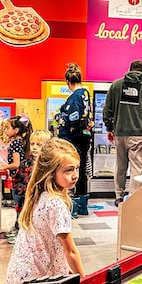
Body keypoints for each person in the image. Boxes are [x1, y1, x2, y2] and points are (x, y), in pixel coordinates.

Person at [6, 138, 85, 284]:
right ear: (51, 173)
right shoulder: (56, 204)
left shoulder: (39, 195)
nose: (75, 175)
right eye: (69, 170)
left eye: (77, 168)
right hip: (38, 281)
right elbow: (70, 251)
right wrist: (84, 281)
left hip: (21, 275)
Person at [103, 60, 142, 205]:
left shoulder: (116, 85)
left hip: (120, 133)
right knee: (136, 168)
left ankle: (118, 196)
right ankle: (133, 199)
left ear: (129, 69)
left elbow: (107, 109)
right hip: (139, 135)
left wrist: (109, 128)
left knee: (120, 166)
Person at [55, 63, 93, 216]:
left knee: (70, 169)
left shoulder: (75, 96)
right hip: (83, 136)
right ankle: (82, 204)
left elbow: (73, 117)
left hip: (72, 138)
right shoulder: (86, 93)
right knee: (81, 170)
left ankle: (73, 206)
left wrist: (60, 118)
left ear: (67, 82)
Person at [7, 129, 52, 244]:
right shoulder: (25, 164)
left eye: (39, 145)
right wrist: (20, 194)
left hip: (43, 200)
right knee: (24, 218)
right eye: (32, 144)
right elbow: (18, 180)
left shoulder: (49, 166)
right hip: (26, 198)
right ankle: (22, 236)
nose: (35, 147)